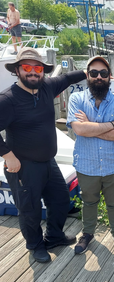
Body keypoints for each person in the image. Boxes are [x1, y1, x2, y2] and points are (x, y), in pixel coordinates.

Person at [0, 47, 87, 263]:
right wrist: (7, 155)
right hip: (22, 166)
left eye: (37, 68)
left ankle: (54, 236)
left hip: (49, 161)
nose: (33, 72)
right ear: (17, 71)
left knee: (60, 200)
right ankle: (35, 245)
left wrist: (92, 71)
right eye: (27, 67)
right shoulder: (7, 99)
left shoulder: (47, 86)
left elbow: (67, 77)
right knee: (29, 210)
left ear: (43, 71)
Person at [67, 55, 114, 255]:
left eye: (103, 73)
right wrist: (111, 125)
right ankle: (87, 234)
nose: (99, 77)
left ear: (110, 76)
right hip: (86, 165)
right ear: (87, 75)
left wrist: (91, 126)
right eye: (94, 73)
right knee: (89, 202)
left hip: (113, 165)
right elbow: (79, 130)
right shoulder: (76, 99)